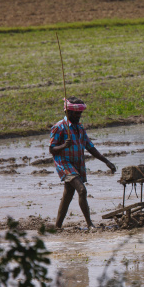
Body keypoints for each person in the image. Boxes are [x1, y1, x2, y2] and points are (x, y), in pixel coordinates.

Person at [49, 96, 116, 229]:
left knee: (68, 194)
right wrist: (63, 146)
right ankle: (90, 224)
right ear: (68, 112)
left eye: (80, 113)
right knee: (82, 190)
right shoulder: (59, 128)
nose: (79, 115)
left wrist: (106, 161)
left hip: (77, 163)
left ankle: (57, 226)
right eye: (76, 113)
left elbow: (89, 146)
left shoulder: (79, 127)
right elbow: (52, 149)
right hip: (65, 164)